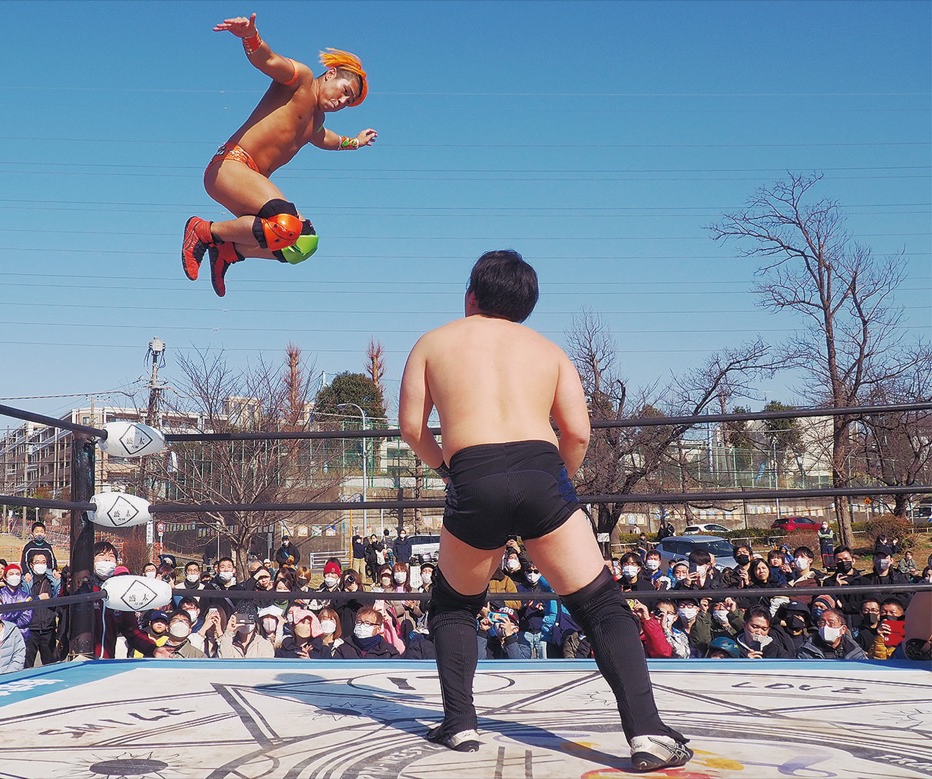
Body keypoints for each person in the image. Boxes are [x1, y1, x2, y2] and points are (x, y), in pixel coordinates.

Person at [398, 250, 690, 770]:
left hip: (472, 469)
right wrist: (560, 485)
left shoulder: (433, 342)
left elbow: (412, 428)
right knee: (600, 605)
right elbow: (577, 432)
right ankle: (646, 732)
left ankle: (460, 723)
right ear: (528, 305)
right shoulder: (549, 350)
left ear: (471, 296)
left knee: (455, 605)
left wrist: (446, 470)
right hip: (542, 469)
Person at [181, 12, 375, 296]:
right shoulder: (302, 81)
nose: (341, 101)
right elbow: (269, 60)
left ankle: (228, 252)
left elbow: (329, 140)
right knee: (285, 223)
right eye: (344, 91)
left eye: (348, 102)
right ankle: (203, 230)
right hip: (230, 167)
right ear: (331, 74)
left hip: (251, 185)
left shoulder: (314, 123)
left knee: (303, 242)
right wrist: (250, 36)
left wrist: (355, 143)